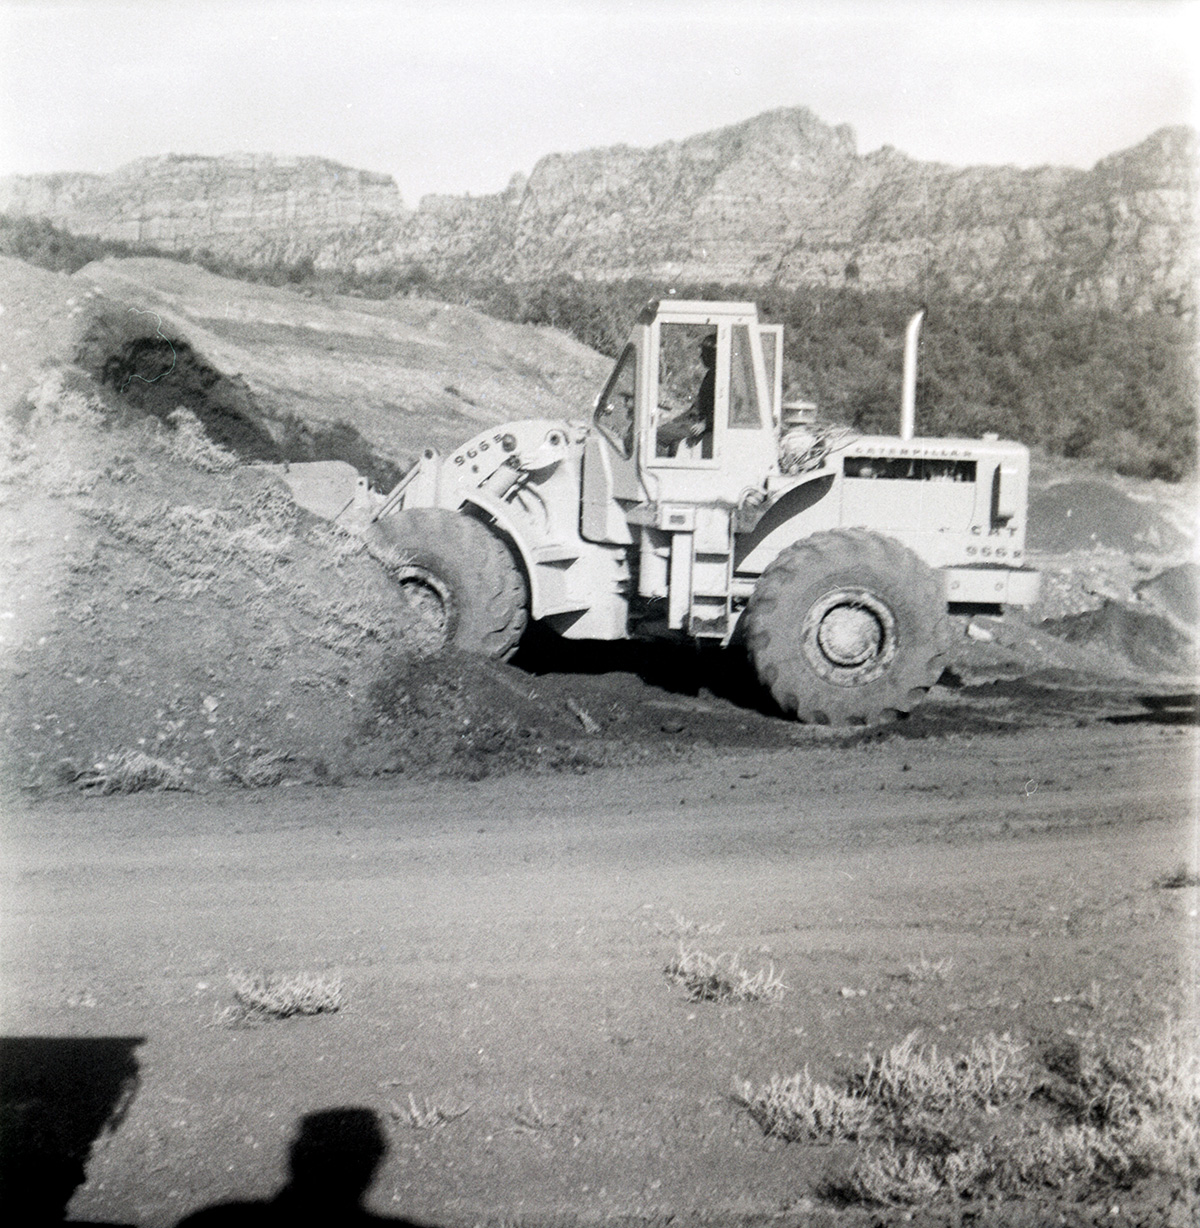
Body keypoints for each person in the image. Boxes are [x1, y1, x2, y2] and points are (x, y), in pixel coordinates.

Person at [656, 334, 715, 458]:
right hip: (694, 421)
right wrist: (674, 420)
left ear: (713, 354)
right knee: (661, 430)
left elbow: (726, 408)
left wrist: (706, 424)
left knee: (657, 436)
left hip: (702, 426)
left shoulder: (719, 377)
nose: (701, 356)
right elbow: (697, 406)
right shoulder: (711, 375)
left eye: (704, 352)